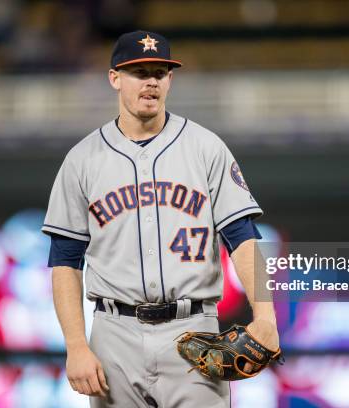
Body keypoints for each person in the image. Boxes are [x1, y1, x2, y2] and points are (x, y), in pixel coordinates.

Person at [42, 30, 279, 408]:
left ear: (170, 80)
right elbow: (64, 260)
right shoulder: (82, 160)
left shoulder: (205, 147)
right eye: (139, 71)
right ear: (115, 78)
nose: (151, 80)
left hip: (193, 331)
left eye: (160, 71)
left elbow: (243, 237)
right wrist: (75, 345)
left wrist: (266, 316)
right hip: (114, 333)